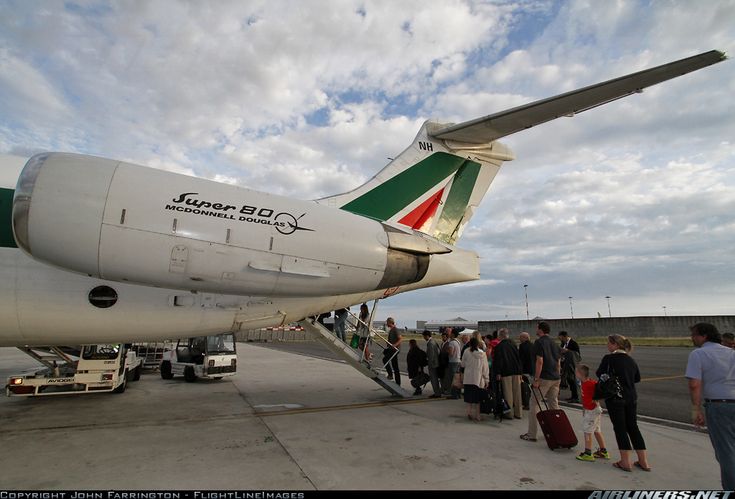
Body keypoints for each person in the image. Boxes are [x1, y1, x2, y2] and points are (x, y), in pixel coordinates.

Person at [685, 323, 735, 489]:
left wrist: (696, 409)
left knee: (726, 453)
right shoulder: (731, 352)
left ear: (704, 336)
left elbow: (694, 384)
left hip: (719, 406)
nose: (692, 338)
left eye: (694, 335)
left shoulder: (698, 354)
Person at [596, 334, 650, 473]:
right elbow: (637, 378)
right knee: (633, 427)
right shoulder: (630, 359)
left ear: (615, 344)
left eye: (608, 343)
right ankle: (643, 461)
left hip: (616, 397)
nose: (607, 345)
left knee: (620, 428)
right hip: (631, 397)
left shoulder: (609, 359)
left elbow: (599, 373)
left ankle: (625, 461)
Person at [520, 321, 561, 442]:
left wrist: (536, 379)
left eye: (537, 328)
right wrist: (558, 375)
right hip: (555, 377)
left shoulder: (539, 342)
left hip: (544, 377)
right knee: (554, 404)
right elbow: (558, 361)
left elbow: (540, 361)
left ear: (541, 330)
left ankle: (532, 434)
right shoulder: (554, 342)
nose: (536, 330)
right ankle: (557, 431)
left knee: (534, 404)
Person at [575, 364, 609, 462]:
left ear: (580, 374)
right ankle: (603, 451)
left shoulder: (590, 383)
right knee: (597, 430)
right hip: (592, 410)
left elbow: (599, 390)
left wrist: (596, 400)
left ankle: (588, 453)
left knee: (587, 431)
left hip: (592, 410)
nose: (575, 374)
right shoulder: (583, 382)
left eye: (576, 372)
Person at [492, 328, 523, 419]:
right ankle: (519, 413)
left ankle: (509, 413)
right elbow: (519, 358)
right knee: (517, 393)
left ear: (500, 336)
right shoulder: (514, 345)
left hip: (506, 372)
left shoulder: (499, 347)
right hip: (516, 371)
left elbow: (498, 361)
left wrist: (498, 372)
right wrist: (520, 372)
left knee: (508, 393)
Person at [460, 337, 490, 422]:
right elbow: (485, 368)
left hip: (468, 378)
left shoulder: (466, 351)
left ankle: (469, 413)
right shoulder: (483, 354)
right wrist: (487, 380)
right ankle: (478, 416)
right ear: (478, 344)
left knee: (469, 397)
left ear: (469, 343)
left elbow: (462, 364)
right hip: (478, 379)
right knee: (478, 399)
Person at [559, 331, 581, 403]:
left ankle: (576, 397)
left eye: (561, 337)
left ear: (565, 336)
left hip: (572, 365)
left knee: (573, 380)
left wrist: (568, 351)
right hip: (565, 364)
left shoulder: (573, 343)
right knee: (569, 380)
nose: (560, 339)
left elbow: (577, 355)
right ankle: (573, 396)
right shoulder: (563, 343)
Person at [422, 330, 442, 398]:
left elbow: (431, 355)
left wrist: (429, 364)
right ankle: (437, 392)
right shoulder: (434, 341)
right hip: (436, 363)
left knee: (434, 379)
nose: (424, 338)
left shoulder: (430, 343)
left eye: (424, 336)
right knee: (435, 379)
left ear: (427, 336)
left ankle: (437, 393)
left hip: (432, 365)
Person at [443, 328, 462, 399]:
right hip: (458, 361)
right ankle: (458, 393)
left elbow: (451, 353)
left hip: (453, 361)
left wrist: (447, 350)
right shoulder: (458, 341)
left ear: (453, 334)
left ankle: (453, 393)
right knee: (457, 378)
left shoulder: (451, 342)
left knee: (453, 378)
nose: (449, 334)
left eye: (450, 333)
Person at [384, 317, 402, 386]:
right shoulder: (391, 330)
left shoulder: (395, 330)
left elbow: (400, 339)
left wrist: (394, 345)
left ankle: (390, 374)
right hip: (391, 349)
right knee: (395, 366)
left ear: (390, 322)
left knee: (385, 359)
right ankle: (398, 383)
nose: (386, 324)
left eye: (387, 322)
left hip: (394, 350)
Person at [518, 331, 534, 410]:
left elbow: (521, 359)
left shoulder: (522, 346)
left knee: (525, 388)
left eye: (520, 337)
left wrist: (520, 371)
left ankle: (526, 403)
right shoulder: (533, 345)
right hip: (532, 369)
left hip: (525, 369)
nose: (519, 339)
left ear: (525, 338)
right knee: (531, 387)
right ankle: (532, 403)